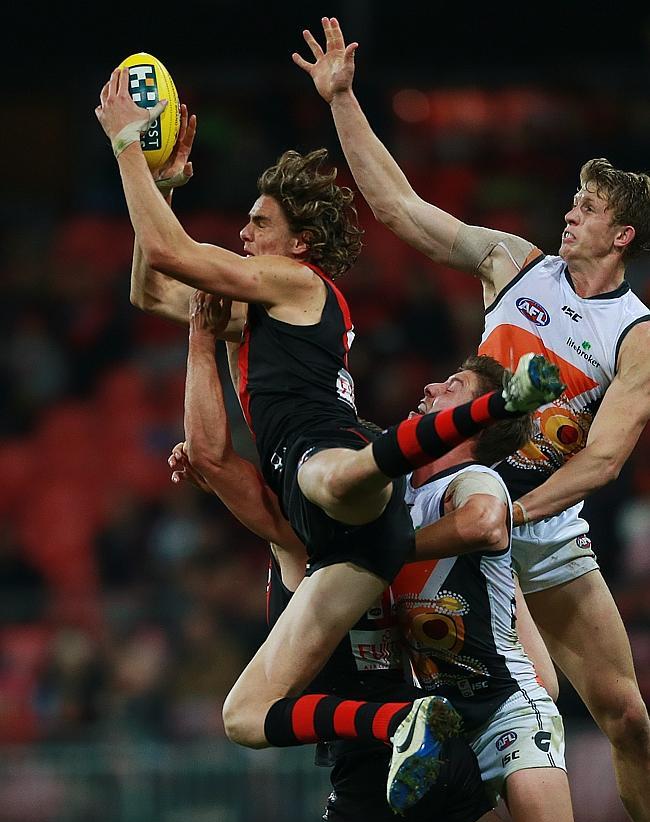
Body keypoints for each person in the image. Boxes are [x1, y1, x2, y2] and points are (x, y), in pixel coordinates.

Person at [96, 72, 559, 783]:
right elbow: (149, 288)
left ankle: (500, 403)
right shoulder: (253, 308)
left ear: (300, 244)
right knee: (244, 717)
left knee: (332, 473)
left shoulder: (298, 285)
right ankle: (402, 722)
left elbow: (171, 255)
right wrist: (163, 188)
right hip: (346, 547)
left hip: (331, 461)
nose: (244, 235)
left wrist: (131, 147)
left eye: (259, 224)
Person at [171, 298, 640, 822]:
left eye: (450, 387)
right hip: (443, 729)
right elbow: (225, 460)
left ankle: (394, 724)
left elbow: (219, 455)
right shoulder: (403, 501)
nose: (427, 390)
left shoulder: (342, 527)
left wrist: (203, 337)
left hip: (389, 744)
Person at [293, 15, 650, 822]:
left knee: (627, 715)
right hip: (456, 505)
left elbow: (603, 458)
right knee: (497, 703)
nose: (570, 215)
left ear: (622, 237)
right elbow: (397, 206)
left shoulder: (634, 334)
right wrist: (343, 101)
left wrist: (519, 519)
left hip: (541, 526)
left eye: (588, 209)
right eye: (572, 200)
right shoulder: (515, 263)